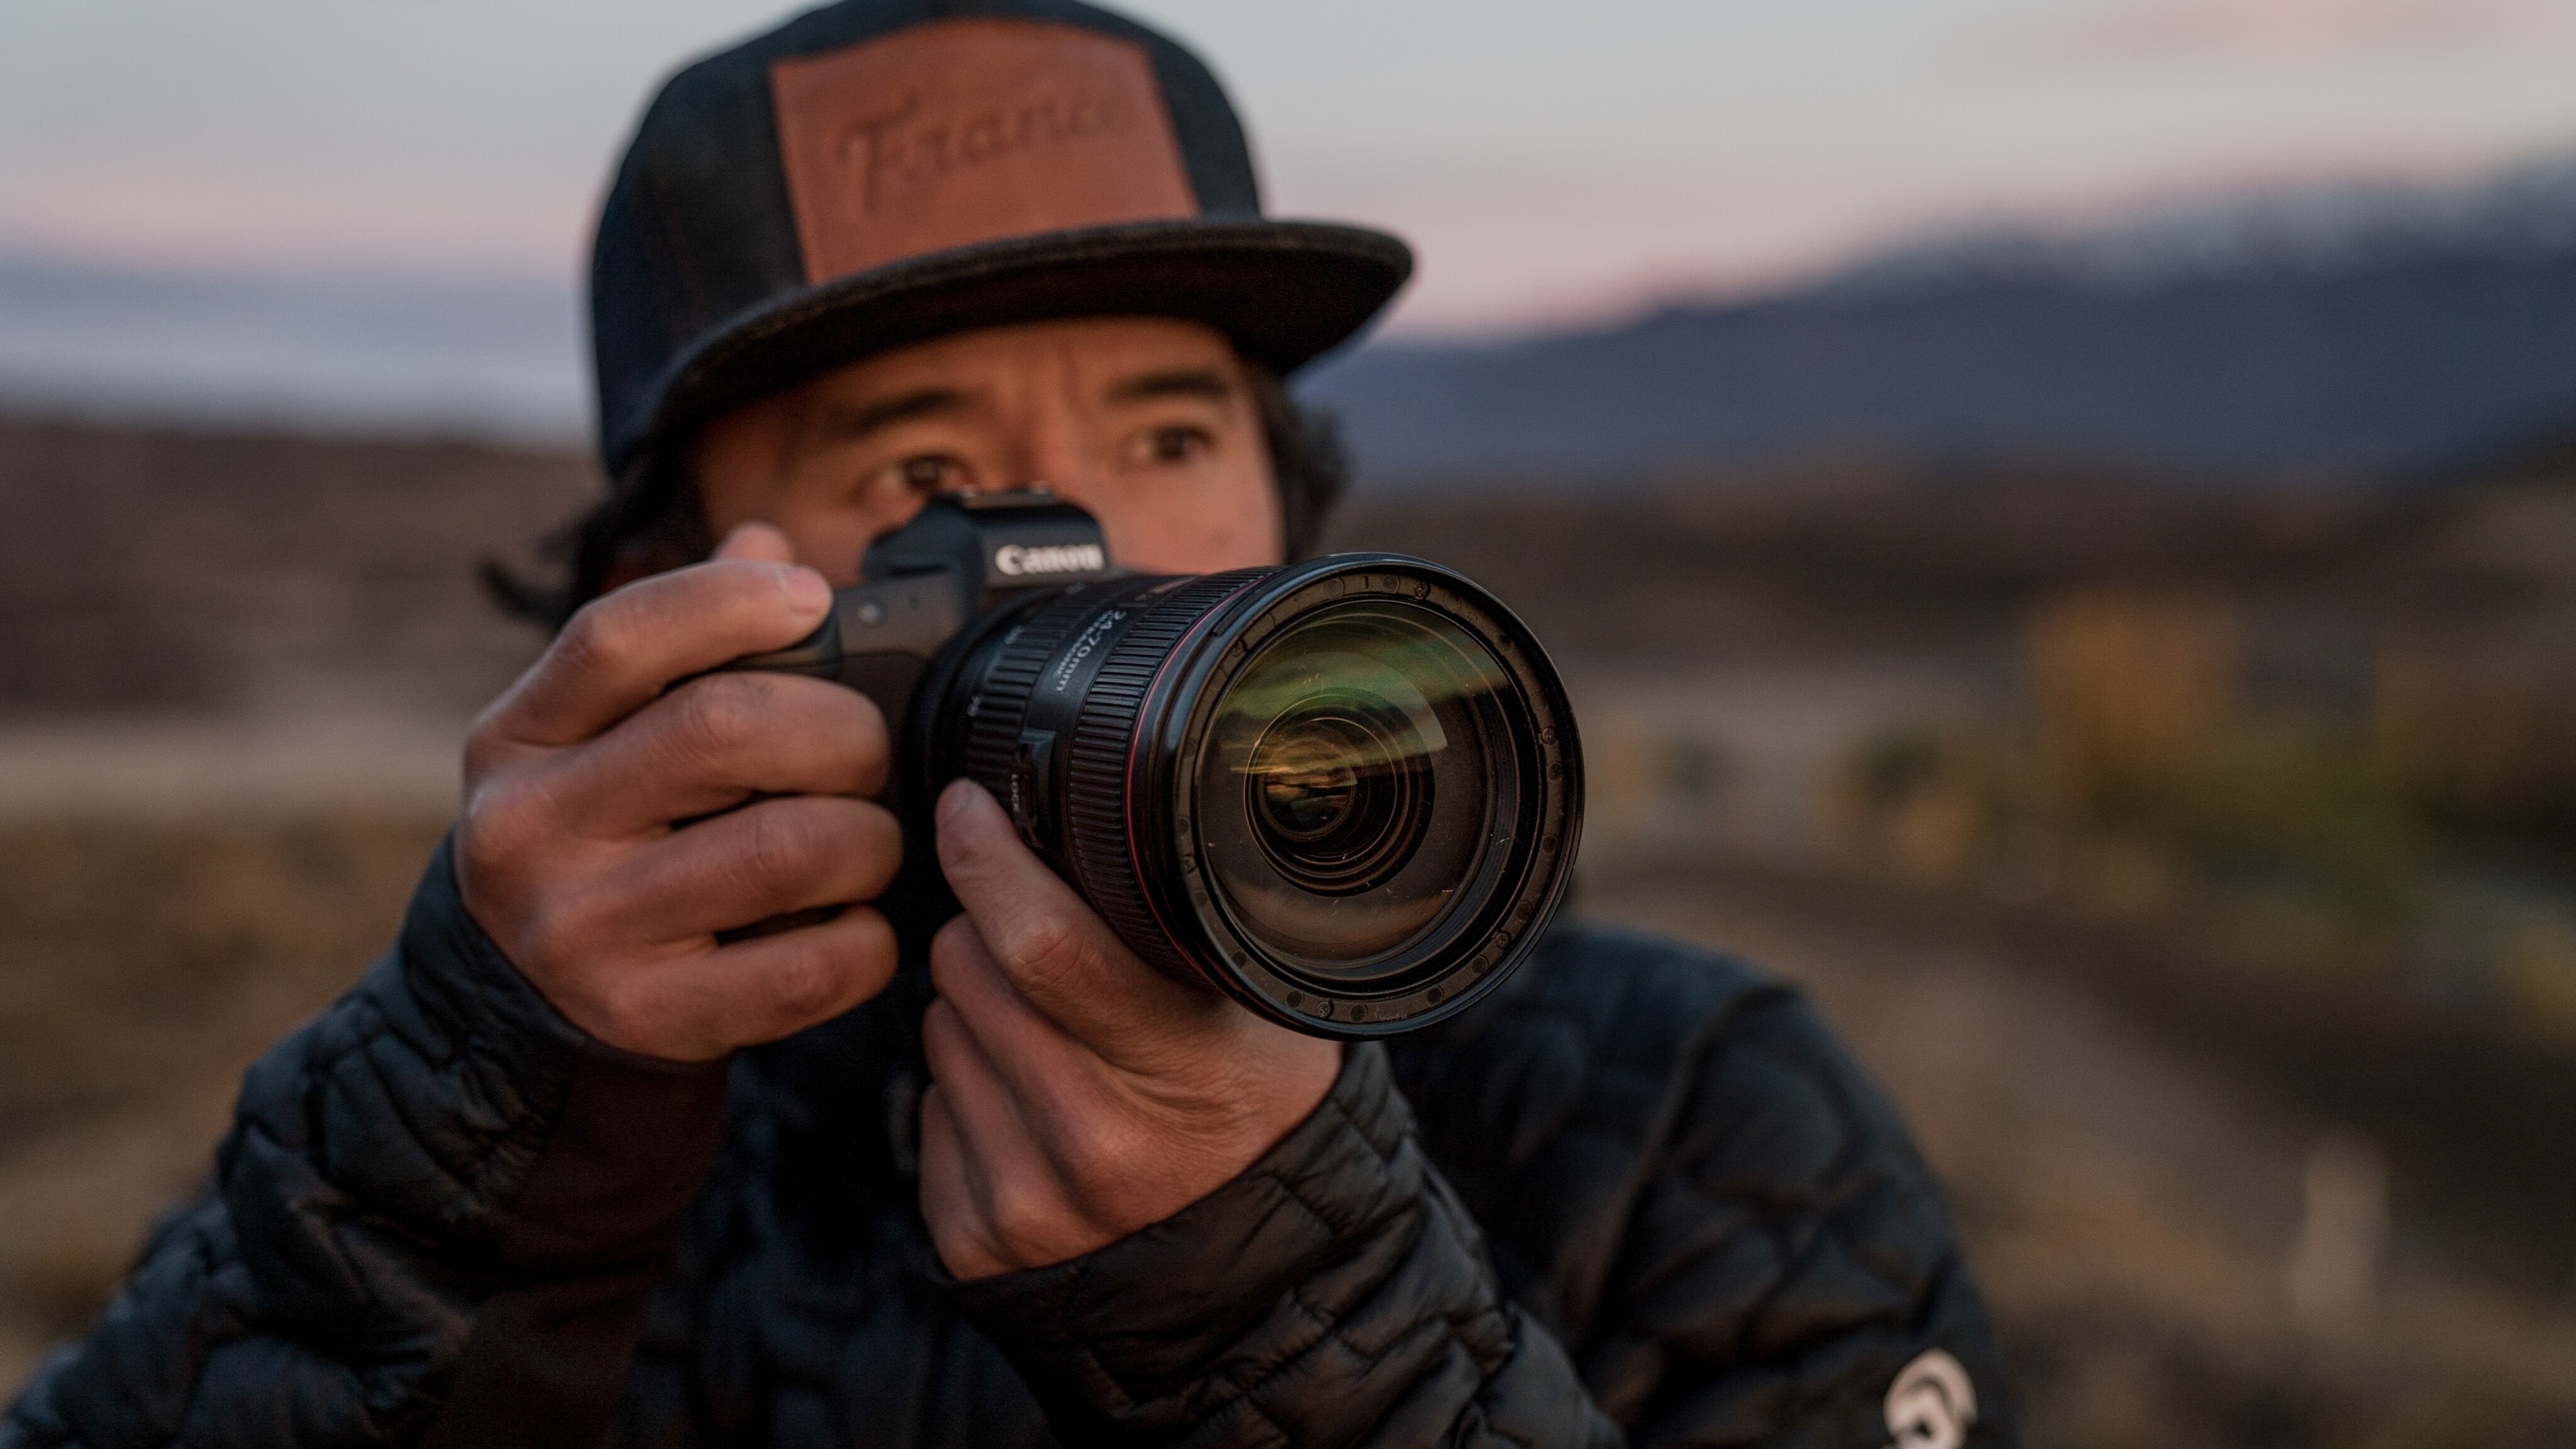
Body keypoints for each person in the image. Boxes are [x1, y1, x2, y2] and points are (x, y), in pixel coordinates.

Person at [3, 4, 2013, 1446]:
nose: (1095, 553)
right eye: (931, 471)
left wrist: (1283, 1298)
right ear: (682, 587)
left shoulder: (1683, 1123)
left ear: (1295, 514)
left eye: (1168, 431)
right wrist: (478, 1131)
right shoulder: (531, 1135)